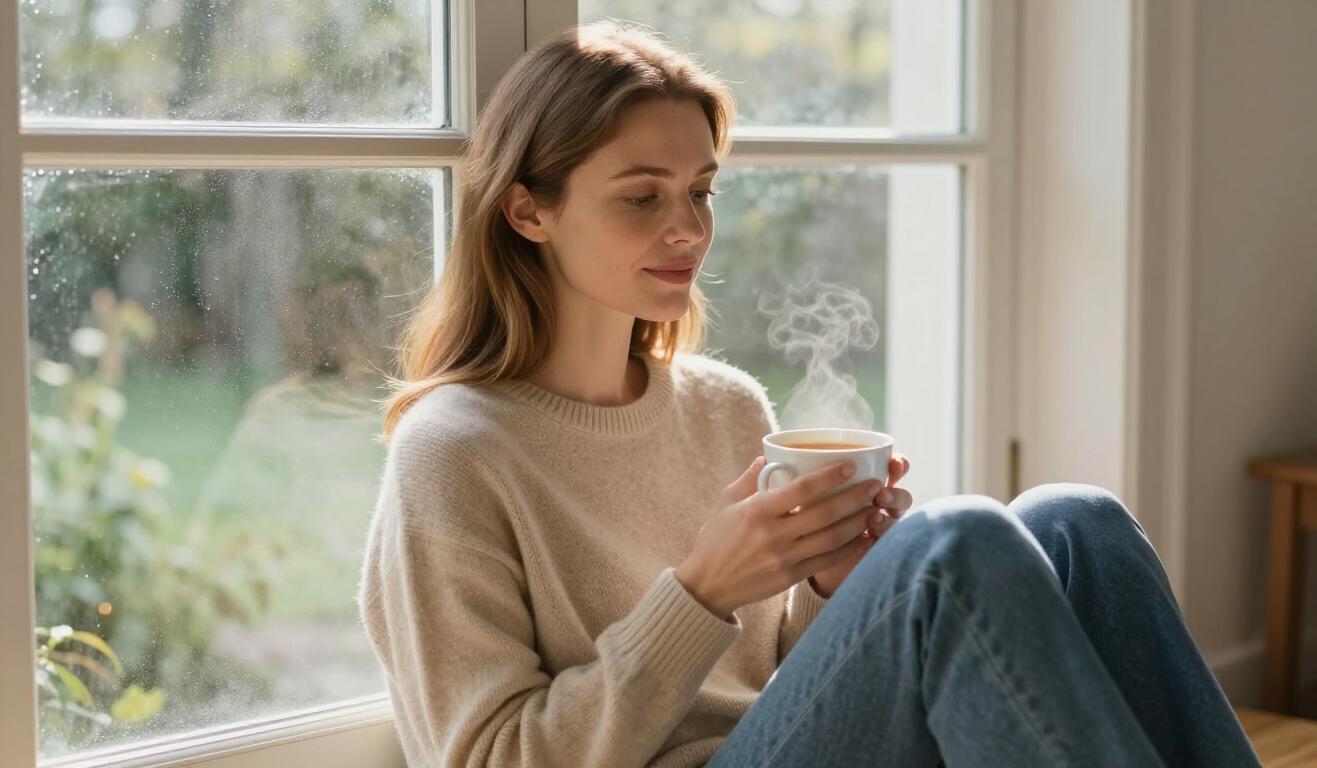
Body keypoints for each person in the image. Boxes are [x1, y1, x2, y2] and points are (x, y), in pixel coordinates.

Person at [358, 21, 1261, 768]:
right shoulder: (455, 452)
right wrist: (702, 592)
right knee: (957, 543)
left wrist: (832, 583)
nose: (687, 229)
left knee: (1079, 521)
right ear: (528, 212)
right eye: (641, 198)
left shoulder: (726, 406)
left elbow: (786, 682)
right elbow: (485, 757)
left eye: (701, 192)